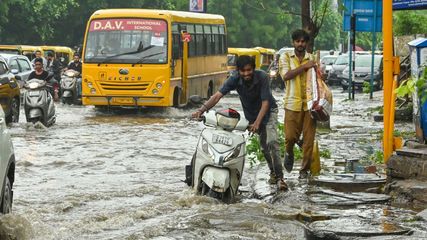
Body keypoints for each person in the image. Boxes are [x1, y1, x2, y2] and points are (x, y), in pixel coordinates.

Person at [192, 55, 288, 191]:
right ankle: (272, 172)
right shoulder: (234, 79)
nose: (246, 73)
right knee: (263, 147)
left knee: (271, 142)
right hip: (251, 114)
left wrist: (257, 123)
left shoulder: (262, 77)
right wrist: (201, 110)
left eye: (249, 70)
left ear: (253, 69)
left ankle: (280, 178)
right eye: (243, 71)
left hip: (268, 112)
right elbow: (218, 95)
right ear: (238, 71)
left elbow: (266, 102)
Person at [279, 29, 317, 179]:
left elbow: (317, 79)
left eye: (303, 41)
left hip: (309, 105)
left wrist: (319, 72)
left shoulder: (312, 58)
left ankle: (304, 171)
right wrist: (304, 67)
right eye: (298, 41)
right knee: (289, 137)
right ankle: (289, 152)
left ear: (306, 43)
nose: (300, 44)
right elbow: (286, 76)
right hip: (292, 104)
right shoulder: (286, 57)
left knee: (308, 140)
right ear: (293, 42)